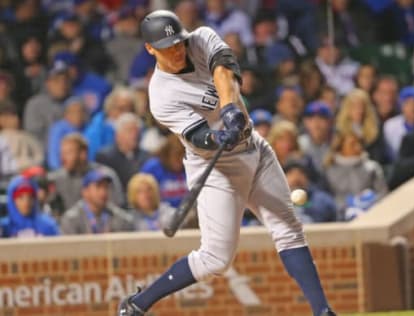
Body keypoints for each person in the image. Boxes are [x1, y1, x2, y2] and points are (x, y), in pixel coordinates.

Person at [117, 10, 335, 316]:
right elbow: (197, 135)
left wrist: (230, 109)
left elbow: (224, 72)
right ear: (150, 49)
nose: (177, 51)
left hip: (254, 148)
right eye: (167, 47)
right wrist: (217, 138)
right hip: (217, 168)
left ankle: (322, 311)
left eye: (178, 43)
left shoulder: (202, 38)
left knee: (289, 230)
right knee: (216, 259)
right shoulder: (161, 94)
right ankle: (138, 304)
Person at [48, 133, 125, 210]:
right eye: (62, 153)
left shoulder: (106, 176)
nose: (63, 158)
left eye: (68, 153)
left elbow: (116, 207)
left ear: (83, 154)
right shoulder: (56, 178)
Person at [323, 132, 388, 219]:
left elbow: (383, 192)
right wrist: (346, 205)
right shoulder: (330, 171)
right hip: (341, 217)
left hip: (372, 214)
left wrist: (369, 202)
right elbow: (327, 198)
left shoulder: (372, 167)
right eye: (352, 144)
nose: (358, 147)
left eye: (359, 143)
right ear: (340, 147)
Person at [60, 168, 134, 235]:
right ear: (85, 192)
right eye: (98, 186)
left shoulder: (121, 218)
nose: (103, 192)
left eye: (106, 187)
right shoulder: (71, 219)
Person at [95, 113, 150, 191]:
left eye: (137, 131)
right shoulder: (105, 157)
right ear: (118, 135)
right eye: (130, 131)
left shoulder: (147, 157)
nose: (135, 135)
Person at [141, 133, 188, 208]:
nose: (179, 162)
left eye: (182, 157)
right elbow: (142, 196)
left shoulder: (188, 167)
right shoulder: (153, 168)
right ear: (167, 153)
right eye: (176, 157)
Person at [47, 96, 87, 170]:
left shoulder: (87, 127)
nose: (77, 115)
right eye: (73, 111)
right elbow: (53, 155)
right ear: (66, 114)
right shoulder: (58, 129)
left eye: (80, 111)